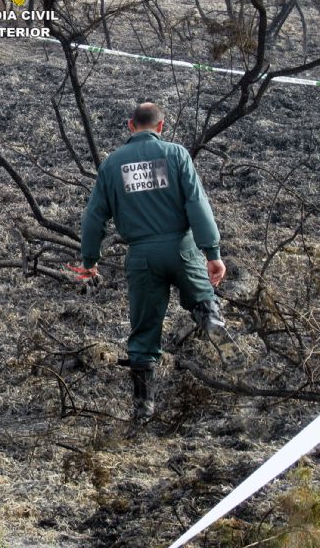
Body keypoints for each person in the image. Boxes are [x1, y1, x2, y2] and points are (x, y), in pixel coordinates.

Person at [80, 103, 226, 420]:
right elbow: (197, 205)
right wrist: (212, 253)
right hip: (182, 248)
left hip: (142, 256)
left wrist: (90, 259)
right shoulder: (176, 155)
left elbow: (93, 218)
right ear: (161, 127)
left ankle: (143, 406)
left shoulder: (112, 165)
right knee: (203, 299)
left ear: (131, 125)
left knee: (144, 333)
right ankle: (209, 315)